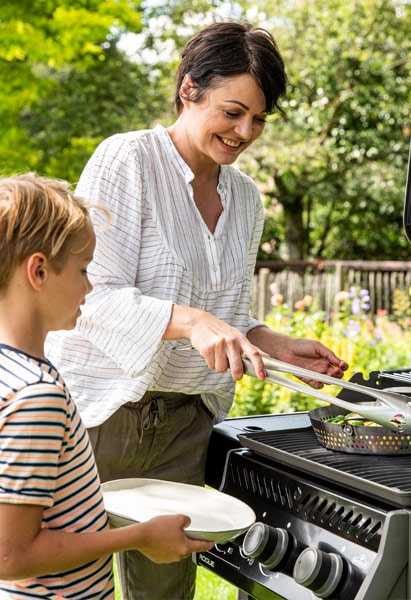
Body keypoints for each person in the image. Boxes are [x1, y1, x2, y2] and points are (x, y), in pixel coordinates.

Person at [45, 20, 349, 600]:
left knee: (165, 588)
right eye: (232, 111)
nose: (245, 131)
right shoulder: (127, 160)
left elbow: (225, 312)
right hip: (105, 411)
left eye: (258, 119)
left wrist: (269, 340)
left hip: (186, 420)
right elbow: (91, 295)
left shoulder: (245, 198)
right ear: (189, 90)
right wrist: (193, 321)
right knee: (70, 581)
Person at [0, 173, 214, 599]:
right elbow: (11, 557)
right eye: (82, 270)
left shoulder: (12, 370)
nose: (90, 286)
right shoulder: (36, 396)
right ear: (39, 271)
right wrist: (138, 537)